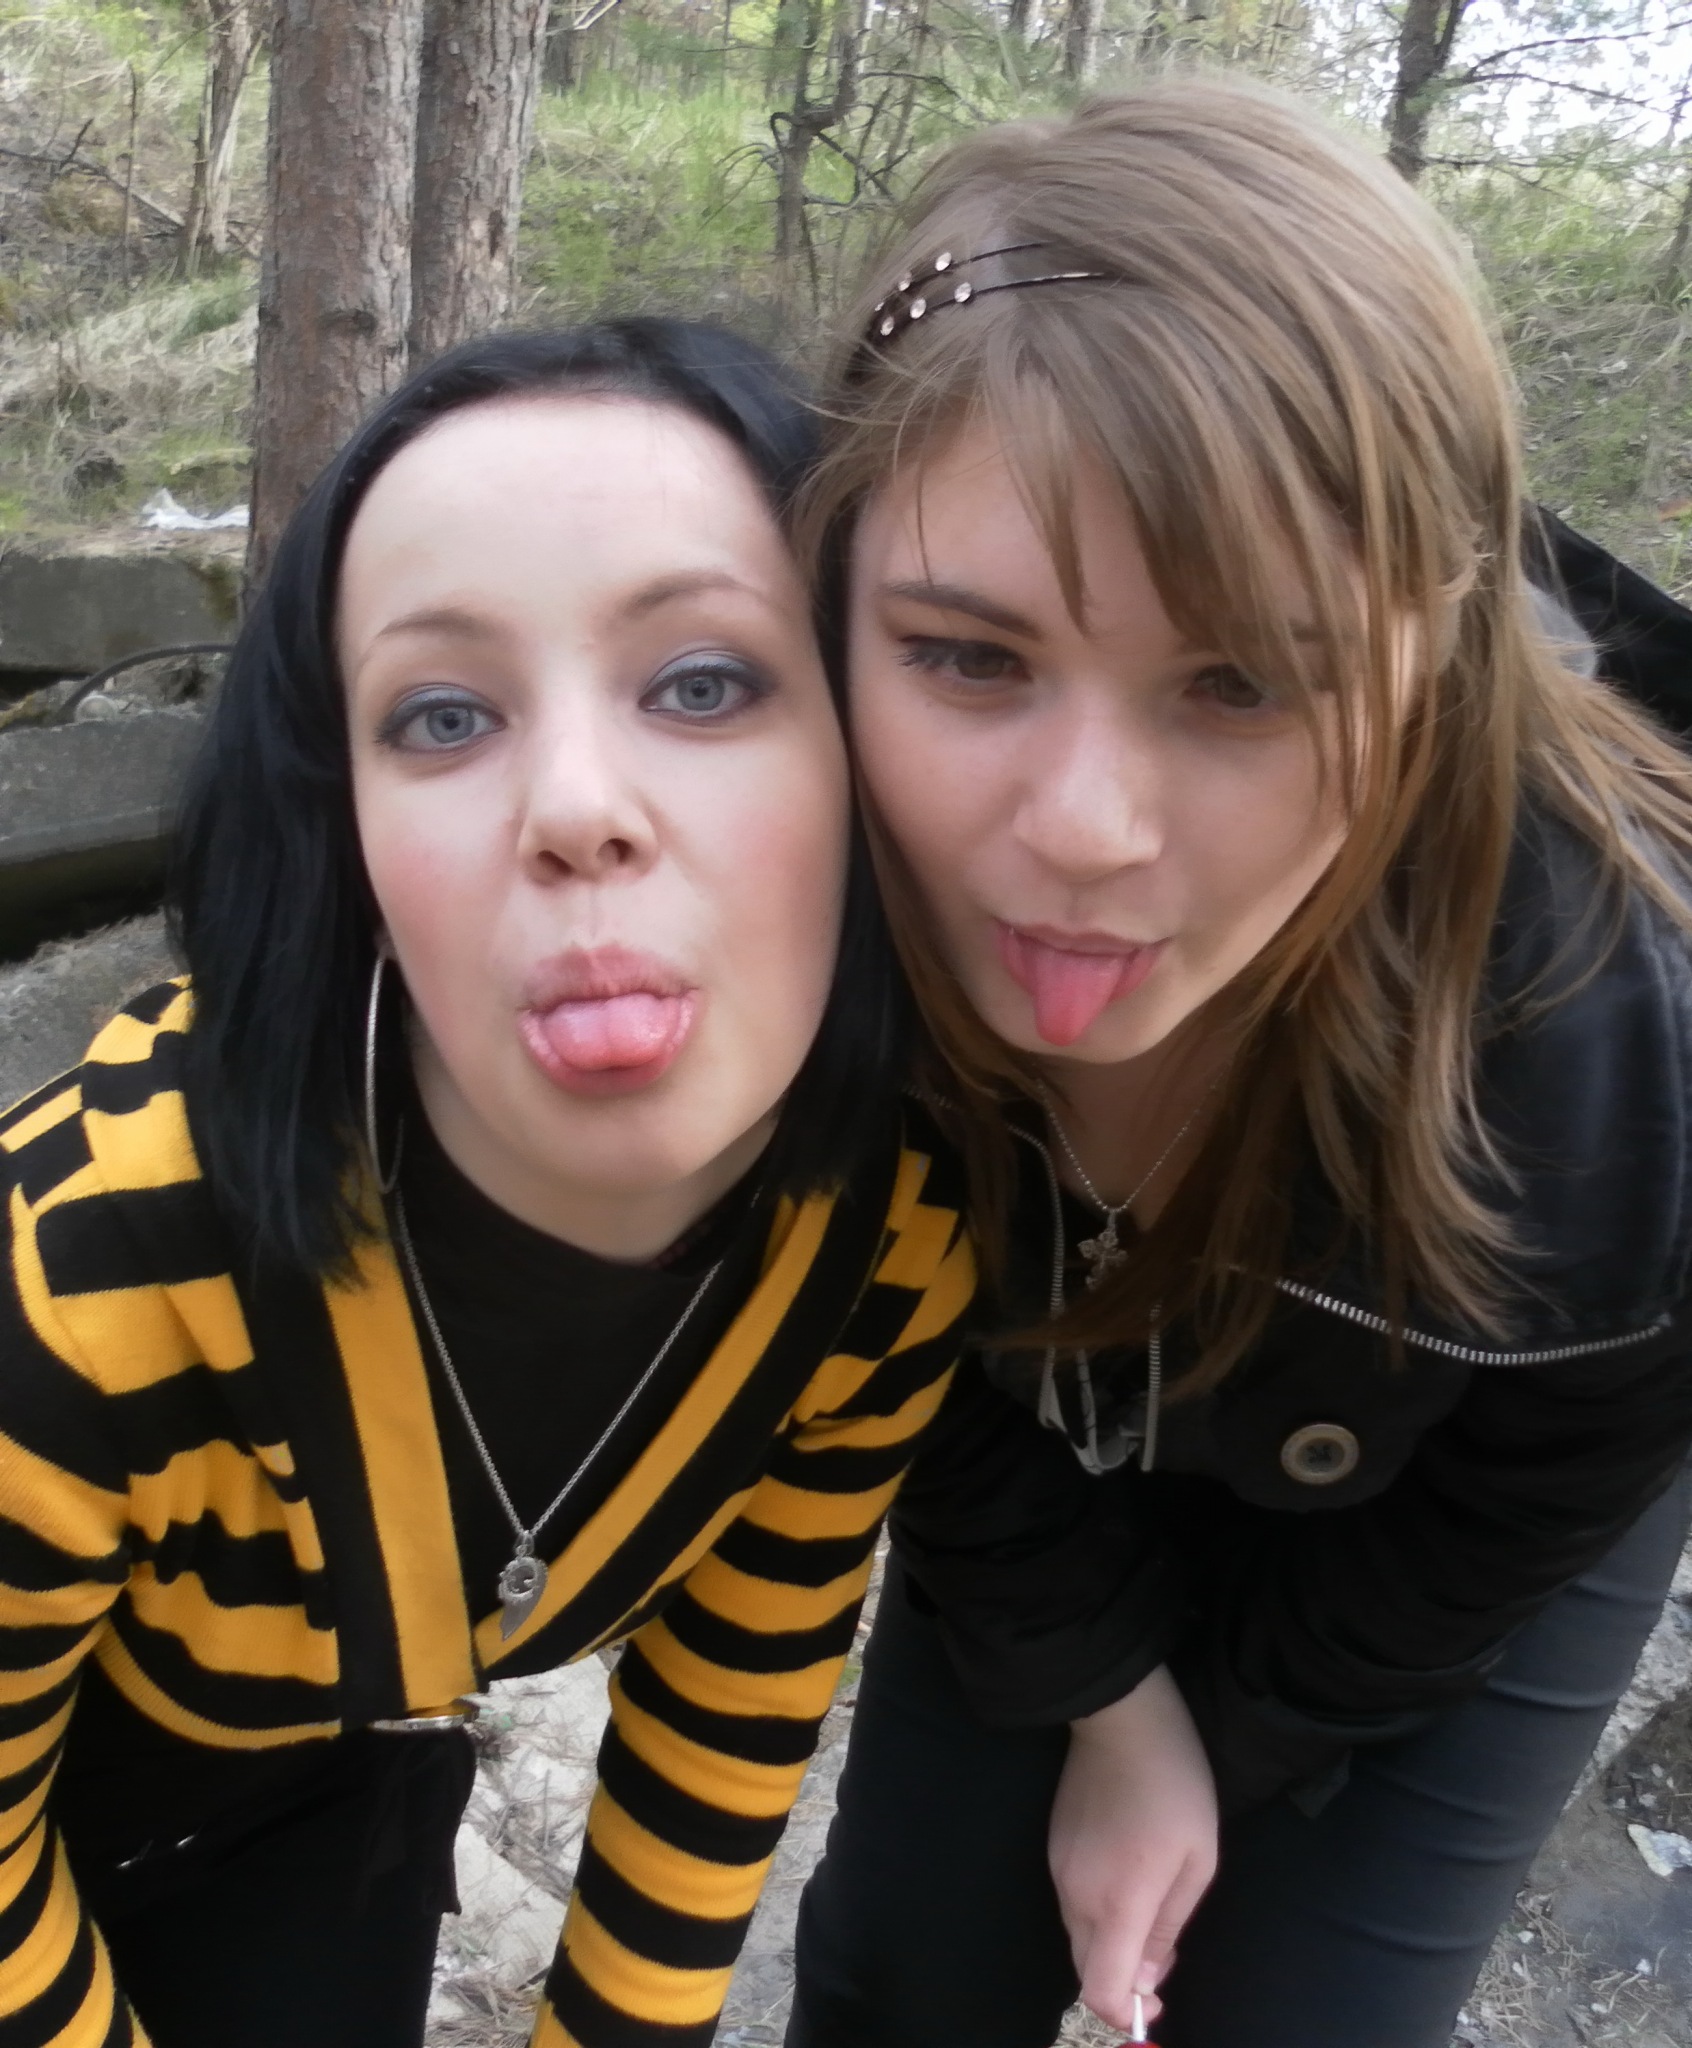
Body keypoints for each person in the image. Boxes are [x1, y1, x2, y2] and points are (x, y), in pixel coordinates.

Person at [784, 80, 1692, 2048]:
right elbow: (883, 1349)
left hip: (1465, 1486)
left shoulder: (1619, 1041)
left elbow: (1563, 1459)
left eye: (1243, 683)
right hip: (1042, 1442)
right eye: (967, 656)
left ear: (1438, 659)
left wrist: (1242, 1732)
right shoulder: (787, 917)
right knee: (901, 1984)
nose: (1084, 829)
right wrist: (1110, 1710)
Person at [0, 322, 973, 2048]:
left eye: (703, 683)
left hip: (323, 1794)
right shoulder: (87, 1271)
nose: (577, 809)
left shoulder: (885, 1254)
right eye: (442, 716)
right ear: (343, 829)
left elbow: (728, 1729)